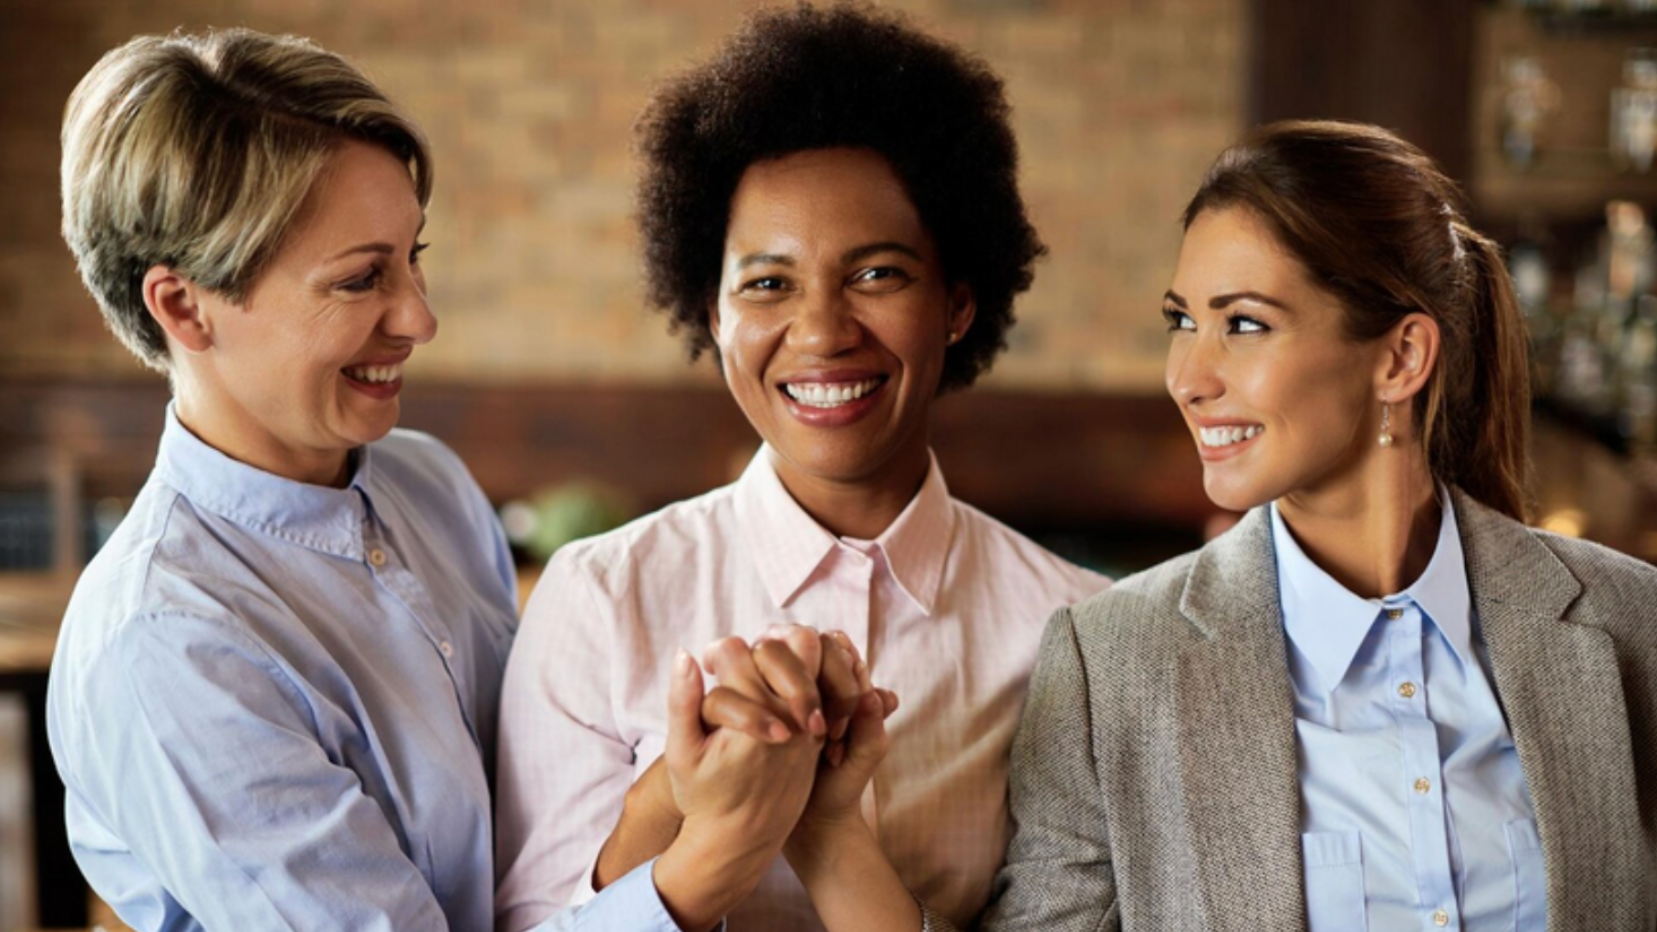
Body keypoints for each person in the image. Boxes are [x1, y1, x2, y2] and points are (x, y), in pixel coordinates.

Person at [750, 119, 1657, 932]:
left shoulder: (1626, 626)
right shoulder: (1111, 664)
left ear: (1400, 357)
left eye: (1245, 325)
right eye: (1181, 322)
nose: (1189, 375)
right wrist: (830, 837)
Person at [46, 28, 740, 931]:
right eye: (359, 279)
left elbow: (535, 836)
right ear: (184, 307)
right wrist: (703, 871)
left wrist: (676, 785)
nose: (420, 316)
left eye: (414, 256)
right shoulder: (167, 645)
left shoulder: (430, 484)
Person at [492, 5, 1109, 931]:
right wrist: (679, 788)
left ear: (957, 303)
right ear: (711, 314)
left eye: (877, 275)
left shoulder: (1080, 632)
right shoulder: (598, 595)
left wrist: (820, 827)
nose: (821, 332)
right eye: (768, 283)